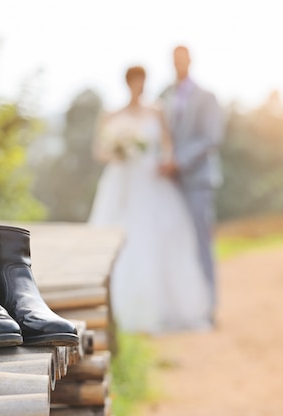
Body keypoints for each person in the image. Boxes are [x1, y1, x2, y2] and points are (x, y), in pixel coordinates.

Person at [88, 65, 211, 334]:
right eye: (136, 81)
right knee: (121, 237)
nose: (140, 86)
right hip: (122, 182)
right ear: (128, 83)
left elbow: (167, 144)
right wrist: (119, 152)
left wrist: (166, 163)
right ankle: (120, 309)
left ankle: (160, 308)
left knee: (156, 237)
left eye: (143, 81)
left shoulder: (156, 111)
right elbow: (100, 151)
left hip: (150, 180)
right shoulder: (111, 114)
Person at [158, 46, 224, 320]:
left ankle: (209, 305)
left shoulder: (207, 97)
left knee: (201, 241)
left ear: (190, 60)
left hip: (197, 181)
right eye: (173, 60)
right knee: (175, 243)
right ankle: (183, 304)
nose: (177, 64)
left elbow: (211, 137)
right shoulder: (166, 96)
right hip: (171, 184)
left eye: (181, 59)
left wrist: (180, 161)